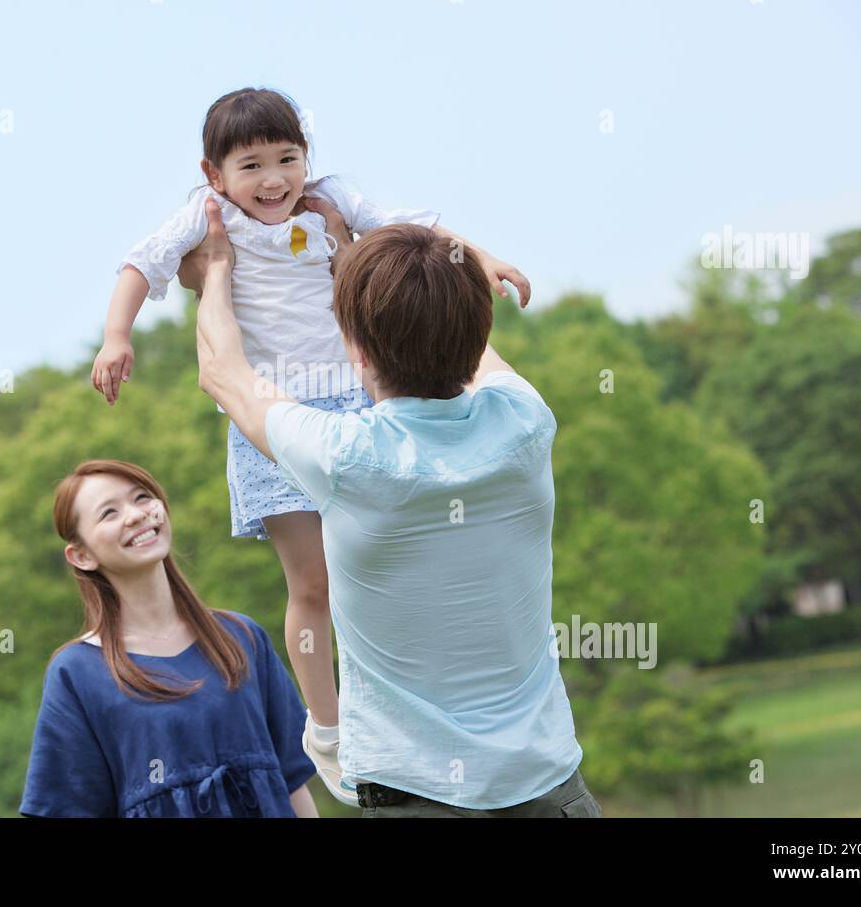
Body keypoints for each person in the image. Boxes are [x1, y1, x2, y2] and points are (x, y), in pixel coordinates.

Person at [89, 87, 529, 799]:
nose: (274, 180)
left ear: (308, 157)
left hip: (359, 401)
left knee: (381, 563)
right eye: (252, 165)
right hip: (274, 412)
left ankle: (411, 700)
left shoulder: (331, 199)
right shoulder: (209, 220)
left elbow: (411, 228)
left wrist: (483, 259)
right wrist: (117, 337)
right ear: (215, 174)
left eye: (288, 158)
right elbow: (141, 264)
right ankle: (325, 725)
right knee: (314, 582)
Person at [190, 197, 602, 817]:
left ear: (353, 351)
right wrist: (372, 263)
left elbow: (223, 370)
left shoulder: (346, 456)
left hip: (413, 794)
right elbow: (466, 340)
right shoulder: (524, 423)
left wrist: (219, 267)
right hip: (550, 787)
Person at [18, 458, 318, 817]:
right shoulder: (77, 673)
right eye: (109, 513)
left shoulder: (241, 637)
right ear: (81, 555)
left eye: (142, 497)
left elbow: (292, 782)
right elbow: (66, 806)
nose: (135, 515)